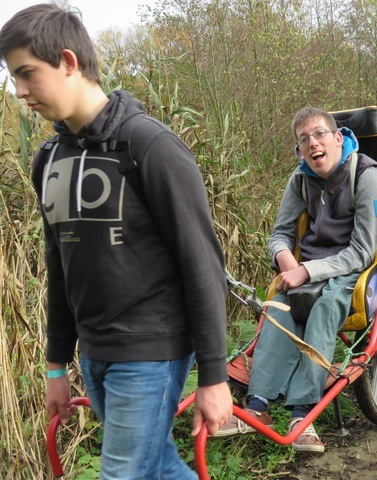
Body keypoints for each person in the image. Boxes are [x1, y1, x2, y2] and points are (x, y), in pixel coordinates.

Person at [0, 5, 233, 478]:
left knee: (123, 472)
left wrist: (214, 375)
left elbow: (202, 264)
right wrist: (55, 365)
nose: (19, 91)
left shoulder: (150, 146)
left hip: (152, 349)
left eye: (27, 74)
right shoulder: (49, 160)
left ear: (68, 61)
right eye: (12, 78)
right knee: (158, 466)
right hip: (95, 351)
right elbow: (60, 265)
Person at [215, 107, 377, 453]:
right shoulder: (299, 178)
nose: (313, 144)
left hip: (351, 271)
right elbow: (279, 233)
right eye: (304, 140)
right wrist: (286, 263)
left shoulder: (368, 176)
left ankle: (303, 413)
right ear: (299, 150)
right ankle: (258, 407)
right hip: (305, 267)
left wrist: (306, 272)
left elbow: (364, 251)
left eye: (319, 134)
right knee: (279, 307)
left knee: (324, 310)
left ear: (338, 138)